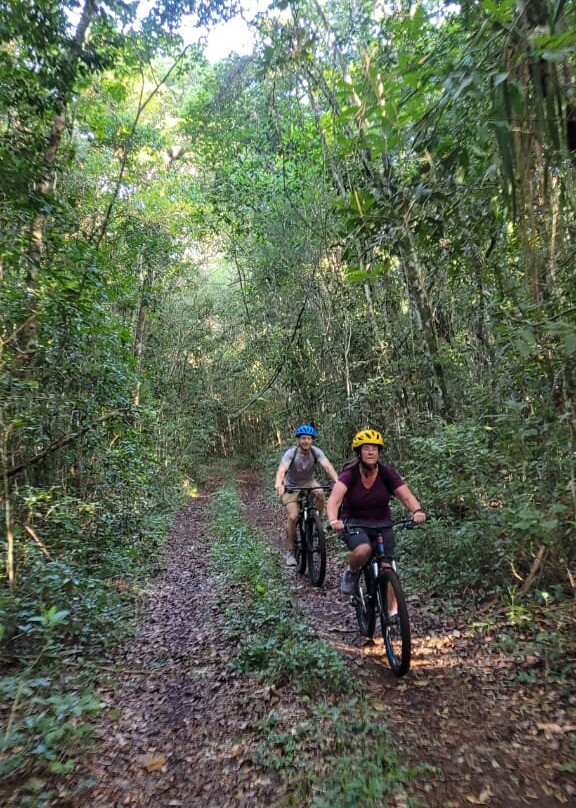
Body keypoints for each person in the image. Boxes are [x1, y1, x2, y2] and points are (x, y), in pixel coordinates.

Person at [326, 428, 426, 595]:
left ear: (379, 451)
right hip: (354, 522)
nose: (370, 452)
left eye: (374, 448)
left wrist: (417, 511)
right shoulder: (349, 474)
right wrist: (333, 521)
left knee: (388, 566)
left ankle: (393, 614)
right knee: (363, 549)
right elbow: (334, 500)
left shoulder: (387, 473)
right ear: (359, 452)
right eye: (366, 448)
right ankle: (351, 572)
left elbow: (406, 496)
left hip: (383, 524)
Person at [275, 424, 339, 566]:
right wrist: (279, 483)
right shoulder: (291, 453)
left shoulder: (316, 452)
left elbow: (328, 467)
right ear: (299, 440)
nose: (306, 441)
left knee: (320, 493)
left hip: (309, 482)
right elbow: (282, 469)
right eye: (303, 438)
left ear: (312, 440)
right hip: (291, 484)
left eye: (308, 439)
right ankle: (291, 551)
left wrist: (338, 481)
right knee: (293, 516)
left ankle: (317, 521)